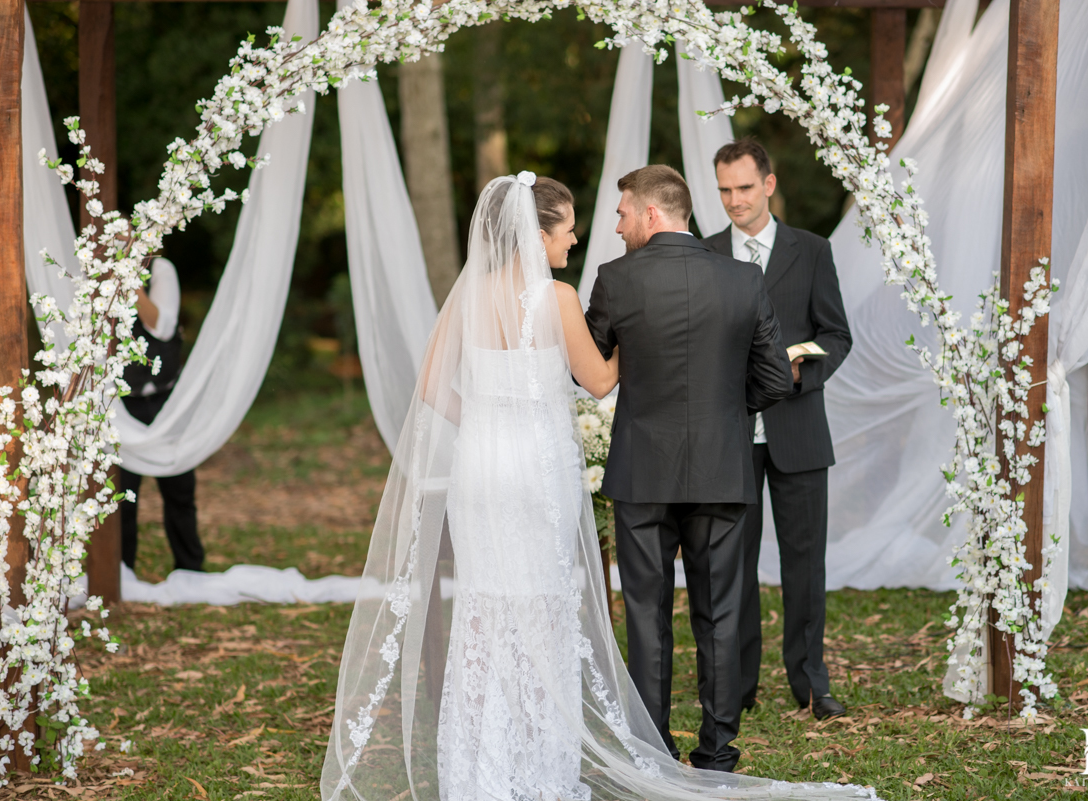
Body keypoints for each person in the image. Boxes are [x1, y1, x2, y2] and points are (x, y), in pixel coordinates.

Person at [321, 173, 872, 801]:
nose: (588, 233)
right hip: (607, 464)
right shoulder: (590, 293)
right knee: (626, 608)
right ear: (538, 233)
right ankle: (638, 755)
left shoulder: (500, 292)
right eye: (572, 225)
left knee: (518, 609)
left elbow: (439, 388)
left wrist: (485, 419)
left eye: (608, 215)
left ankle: (526, 757)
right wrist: (695, 380)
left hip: (508, 464)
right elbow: (640, 378)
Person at [585, 164, 794, 772]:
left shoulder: (614, 280)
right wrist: (728, 414)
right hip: (722, 467)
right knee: (721, 609)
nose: (617, 224)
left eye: (622, 212)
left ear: (652, 214)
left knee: (647, 611)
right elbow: (777, 379)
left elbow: (591, 371)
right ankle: (718, 751)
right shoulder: (742, 278)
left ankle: (654, 750)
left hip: (642, 471)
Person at [703, 138, 852, 721]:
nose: (734, 201)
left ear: (768, 183)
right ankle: (735, 686)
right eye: (724, 190)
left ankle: (811, 680)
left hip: (798, 430)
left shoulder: (812, 251)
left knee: (804, 563)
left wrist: (799, 366)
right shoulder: (707, 253)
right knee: (730, 565)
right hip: (730, 435)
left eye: (744, 187)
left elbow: (836, 335)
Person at [119, 255, 204, 573]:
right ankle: (122, 573)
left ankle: (190, 568)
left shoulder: (160, 270)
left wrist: (131, 284)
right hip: (122, 403)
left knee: (179, 489)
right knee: (122, 496)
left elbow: (163, 326)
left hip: (165, 400)